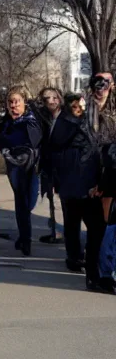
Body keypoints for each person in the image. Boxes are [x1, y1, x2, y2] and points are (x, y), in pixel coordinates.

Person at [45, 83, 105, 286]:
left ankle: (74, 259)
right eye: (78, 105)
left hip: (70, 186)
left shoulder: (63, 124)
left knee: (73, 223)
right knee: (95, 227)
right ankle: (91, 270)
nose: (80, 109)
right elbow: (91, 153)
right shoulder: (78, 126)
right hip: (84, 186)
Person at [80, 72, 116, 292]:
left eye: (105, 83)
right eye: (97, 83)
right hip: (88, 177)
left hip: (109, 179)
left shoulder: (113, 113)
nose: (100, 87)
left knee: (105, 230)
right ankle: (94, 275)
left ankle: (102, 275)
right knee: (95, 230)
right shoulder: (83, 111)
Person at [0, 87, 42, 256]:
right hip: (14, 166)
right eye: (11, 102)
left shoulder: (31, 120)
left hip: (32, 166)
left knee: (30, 201)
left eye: (17, 101)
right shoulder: (5, 123)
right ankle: (25, 239)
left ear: (24, 103)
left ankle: (24, 236)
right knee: (21, 202)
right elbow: (1, 141)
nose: (14, 105)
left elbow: (37, 139)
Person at [35, 87, 64, 244]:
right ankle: (55, 230)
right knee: (50, 198)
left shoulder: (67, 116)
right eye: (47, 98)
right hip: (47, 162)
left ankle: (64, 230)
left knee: (63, 200)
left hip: (64, 165)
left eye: (54, 97)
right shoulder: (41, 117)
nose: (51, 101)